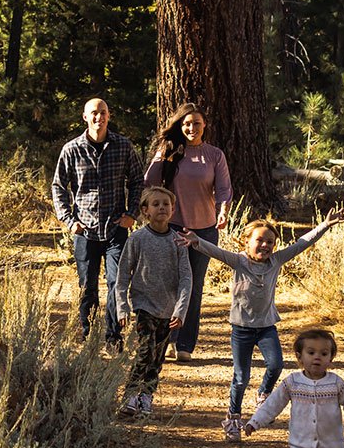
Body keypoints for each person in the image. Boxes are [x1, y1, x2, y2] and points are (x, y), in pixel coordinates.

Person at [175, 207, 344, 442]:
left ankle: (264, 393)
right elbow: (215, 251)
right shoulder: (238, 260)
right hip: (241, 329)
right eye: (259, 240)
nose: (265, 245)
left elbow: (301, 243)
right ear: (247, 242)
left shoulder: (275, 261)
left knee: (276, 364)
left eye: (270, 242)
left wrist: (325, 225)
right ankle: (234, 418)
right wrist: (197, 241)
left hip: (267, 326)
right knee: (240, 377)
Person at [52, 98, 144, 348]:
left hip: (116, 229)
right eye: (94, 113)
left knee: (117, 284)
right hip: (85, 230)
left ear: (109, 115)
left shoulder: (123, 146)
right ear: (85, 117)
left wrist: (131, 214)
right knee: (87, 286)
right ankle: (88, 334)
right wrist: (69, 220)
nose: (98, 117)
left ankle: (113, 337)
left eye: (103, 112)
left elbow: (137, 180)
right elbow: (58, 186)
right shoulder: (72, 149)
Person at [145, 103, 232, 362]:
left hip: (204, 229)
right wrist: (156, 207)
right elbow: (149, 181)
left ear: (204, 125)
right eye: (186, 124)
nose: (191, 128)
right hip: (170, 227)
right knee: (168, 285)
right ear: (179, 127)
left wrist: (223, 211)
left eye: (196, 123)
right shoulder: (170, 151)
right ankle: (164, 339)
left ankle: (184, 343)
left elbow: (224, 189)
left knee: (193, 286)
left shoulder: (214, 155)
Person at [115, 187, 192, 416]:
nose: (161, 208)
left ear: (173, 209)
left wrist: (180, 310)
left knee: (157, 357)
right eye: (156, 204)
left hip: (167, 310)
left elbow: (186, 278)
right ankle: (129, 396)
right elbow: (122, 276)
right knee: (145, 351)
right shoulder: (138, 239)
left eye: (166, 204)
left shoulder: (178, 241)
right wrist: (122, 307)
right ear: (145, 211)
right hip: (143, 306)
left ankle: (146, 397)